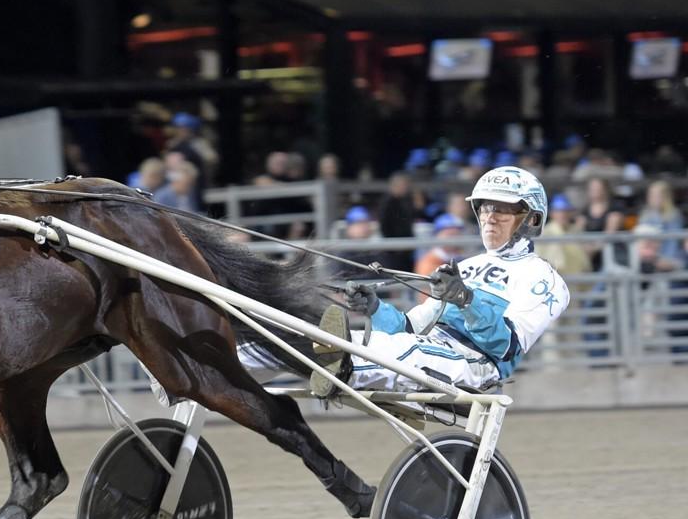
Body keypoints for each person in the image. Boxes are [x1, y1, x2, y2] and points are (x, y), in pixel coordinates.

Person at [241, 167, 571, 396]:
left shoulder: (544, 279)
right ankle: (224, 364)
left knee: (392, 350)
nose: (489, 216)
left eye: (502, 209)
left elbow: (507, 346)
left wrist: (467, 301)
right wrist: (375, 308)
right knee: (308, 338)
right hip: (426, 348)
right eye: (484, 207)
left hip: (475, 365)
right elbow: (410, 327)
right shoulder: (465, 265)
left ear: (532, 219)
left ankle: (339, 366)